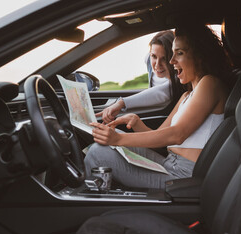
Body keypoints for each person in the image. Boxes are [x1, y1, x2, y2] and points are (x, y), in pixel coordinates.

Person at [84, 24, 232, 189]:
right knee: (111, 138)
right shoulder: (187, 95)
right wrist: (136, 121)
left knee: (99, 153)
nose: (171, 61)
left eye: (180, 53)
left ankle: (82, 202)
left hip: (184, 176)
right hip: (169, 163)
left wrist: (119, 139)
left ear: (200, 56)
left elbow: (177, 134)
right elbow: (160, 137)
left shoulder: (209, 83)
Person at [99, 30, 185, 123]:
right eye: (154, 56)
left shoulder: (180, 76)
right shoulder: (148, 59)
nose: (157, 65)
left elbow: (163, 92)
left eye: (164, 59)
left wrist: (122, 103)